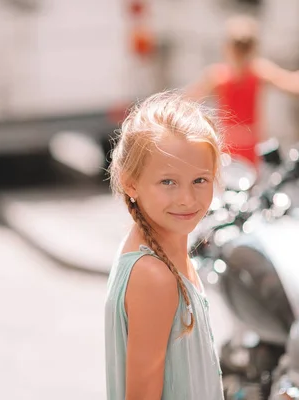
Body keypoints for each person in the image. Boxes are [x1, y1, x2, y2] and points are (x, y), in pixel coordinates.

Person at [105, 91, 224, 400]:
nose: (186, 198)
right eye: (168, 182)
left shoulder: (160, 253)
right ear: (130, 182)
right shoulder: (153, 275)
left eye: (200, 180)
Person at [187, 15, 299, 168]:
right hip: (231, 149)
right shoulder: (226, 75)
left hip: (244, 150)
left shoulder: (230, 75)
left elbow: (186, 101)